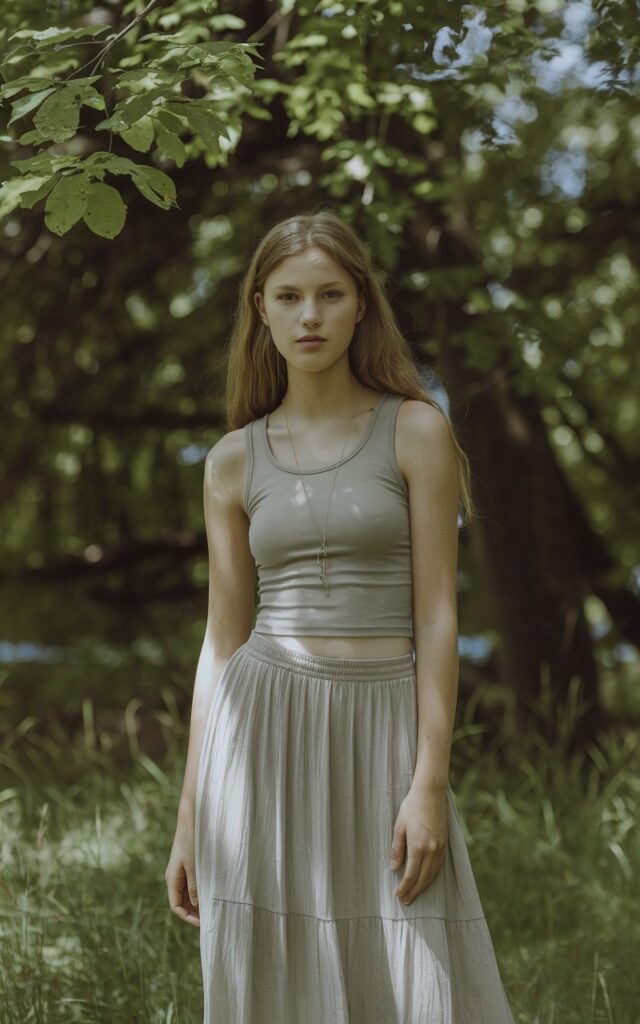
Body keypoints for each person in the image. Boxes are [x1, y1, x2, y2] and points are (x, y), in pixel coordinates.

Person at [165, 209, 516, 1023]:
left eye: (329, 294)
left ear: (362, 303)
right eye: (288, 296)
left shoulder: (416, 431)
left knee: (416, 954)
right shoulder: (231, 461)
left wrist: (430, 782)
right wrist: (190, 819)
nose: (310, 315)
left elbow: (436, 619)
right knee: (276, 974)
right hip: (261, 729)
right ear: (262, 309)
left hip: (383, 722)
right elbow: (221, 646)